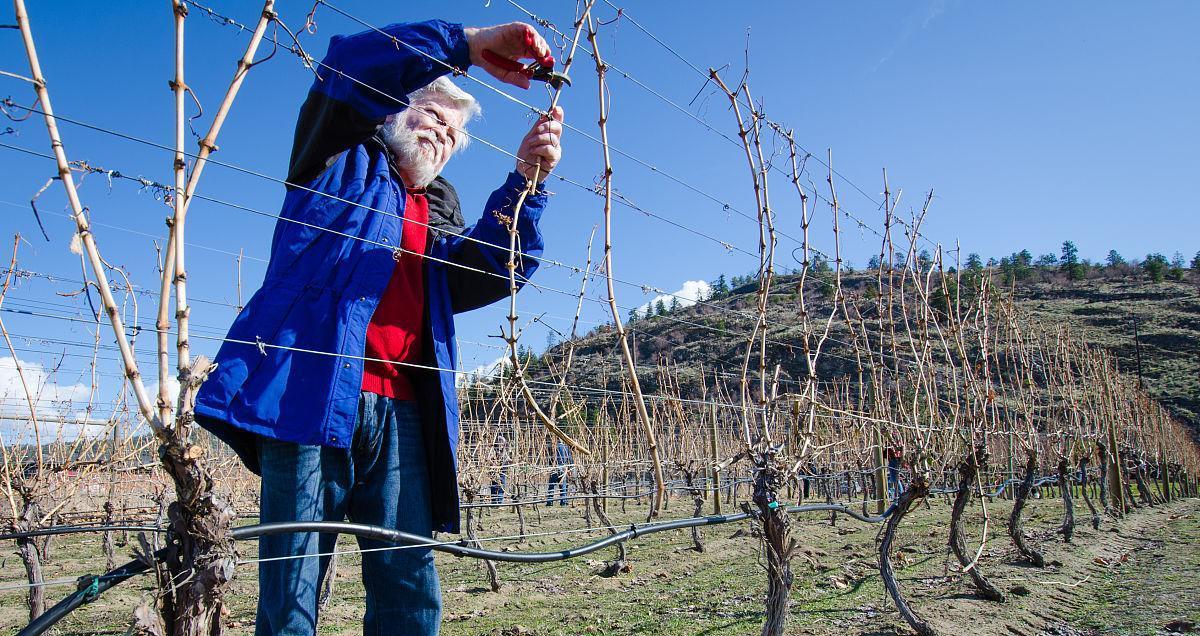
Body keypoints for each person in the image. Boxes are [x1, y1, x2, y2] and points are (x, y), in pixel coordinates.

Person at [193, 18, 564, 636]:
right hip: (306, 398)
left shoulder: (437, 211)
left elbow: (495, 268)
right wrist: (467, 46)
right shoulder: (335, 157)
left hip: (405, 414)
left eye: (452, 134)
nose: (441, 135)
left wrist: (525, 184)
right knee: (291, 590)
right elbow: (349, 67)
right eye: (431, 115)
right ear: (395, 112)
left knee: (408, 585)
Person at [547, 438, 571, 506]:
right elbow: (570, 458)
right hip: (563, 468)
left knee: (551, 485)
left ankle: (549, 501)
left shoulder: (553, 447)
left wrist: (550, 466)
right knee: (563, 486)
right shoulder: (566, 448)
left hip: (554, 468)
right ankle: (563, 502)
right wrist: (570, 468)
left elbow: (550, 458)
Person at [490, 432, 511, 504]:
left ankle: (499, 501)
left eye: (502, 444)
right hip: (494, 470)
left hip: (503, 470)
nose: (501, 445)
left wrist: (509, 460)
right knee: (494, 485)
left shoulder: (504, 451)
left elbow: (507, 458)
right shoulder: (492, 451)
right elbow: (489, 459)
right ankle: (493, 501)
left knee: (502, 485)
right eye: (499, 443)